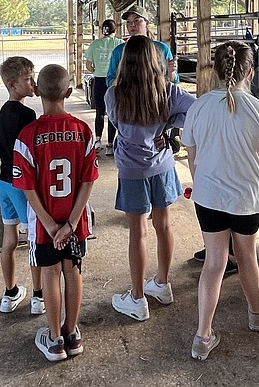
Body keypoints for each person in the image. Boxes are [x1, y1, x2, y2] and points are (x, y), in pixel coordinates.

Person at [181, 41, 259, 360]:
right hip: (247, 199)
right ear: (250, 72)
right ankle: (255, 314)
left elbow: (192, 158)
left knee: (214, 262)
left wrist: (205, 189)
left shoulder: (199, 107)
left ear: (217, 72)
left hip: (208, 197)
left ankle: (202, 335)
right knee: (247, 257)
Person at [105, 35, 195, 321]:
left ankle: (137, 298)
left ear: (124, 62)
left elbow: (117, 123)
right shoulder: (169, 91)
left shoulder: (113, 93)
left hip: (132, 170)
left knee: (138, 234)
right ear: (156, 61)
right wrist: (169, 126)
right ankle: (162, 283)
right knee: (164, 226)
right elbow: (196, 111)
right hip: (162, 166)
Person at [13, 64, 98, 362]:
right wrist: (71, 223)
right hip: (76, 223)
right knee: (72, 271)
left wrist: (50, 225)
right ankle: (72, 333)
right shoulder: (83, 131)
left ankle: (54, 340)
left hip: (43, 225)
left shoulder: (27, 135)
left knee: (50, 273)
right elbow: (88, 180)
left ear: (36, 91)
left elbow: (25, 185)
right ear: (69, 92)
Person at [0, 56, 45, 315]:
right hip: (21, 183)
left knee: (9, 238)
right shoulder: (27, 114)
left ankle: (10, 291)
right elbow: (32, 150)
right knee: (34, 240)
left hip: (3, 182)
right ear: (13, 85)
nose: (33, 83)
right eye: (28, 79)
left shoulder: (3, 111)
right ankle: (38, 295)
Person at [105, 7, 178, 87]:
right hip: (129, 96)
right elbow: (110, 80)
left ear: (146, 23)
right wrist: (123, 78)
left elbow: (174, 80)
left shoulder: (162, 48)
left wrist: (171, 72)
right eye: (128, 22)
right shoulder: (119, 51)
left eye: (136, 21)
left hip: (156, 96)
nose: (132, 25)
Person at [84, 19, 123, 155]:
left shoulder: (95, 44)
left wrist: (96, 70)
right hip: (114, 82)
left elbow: (88, 65)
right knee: (113, 111)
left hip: (99, 80)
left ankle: (98, 140)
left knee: (100, 111)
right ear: (115, 30)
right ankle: (111, 144)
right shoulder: (120, 44)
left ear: (102, 30)